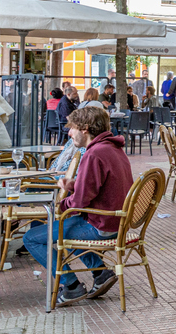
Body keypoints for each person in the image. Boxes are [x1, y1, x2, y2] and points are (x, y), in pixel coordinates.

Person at [24, 107, 133, 304]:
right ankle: (100, 274)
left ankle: (71, 286)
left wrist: (61, 205)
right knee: (68, 228)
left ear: (85, 129)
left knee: (32, 237)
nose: (69, 132)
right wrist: (75, 185)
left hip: (102, 225)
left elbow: (79, 202)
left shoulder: (93, 154)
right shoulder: (112, 148)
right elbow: (102, 186)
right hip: (118, 222)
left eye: (72, 127)